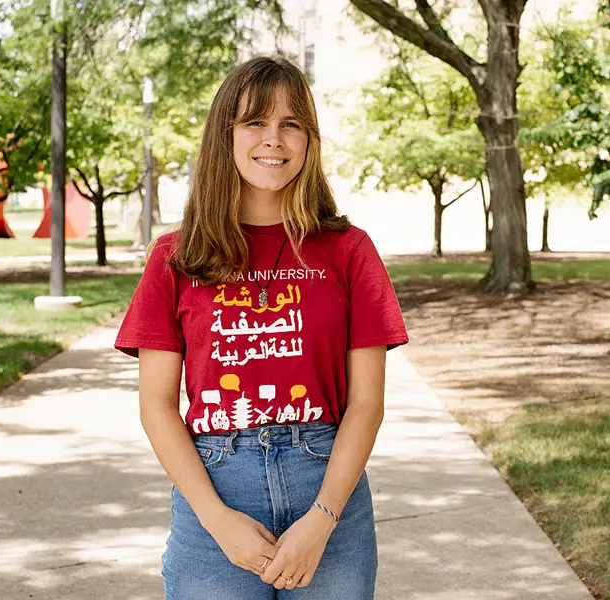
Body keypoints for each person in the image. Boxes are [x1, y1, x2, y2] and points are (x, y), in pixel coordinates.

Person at [114, 55, 408, 599]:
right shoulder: (174, 258)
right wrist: (216, 520)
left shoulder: (350, 252)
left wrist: (322, 521)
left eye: (291, 124)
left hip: (327, 486)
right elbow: (156, 406)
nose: (273, 139)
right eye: (255, 122)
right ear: (225, 135)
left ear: (308, 140)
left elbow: (367, 404)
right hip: (216, 488)